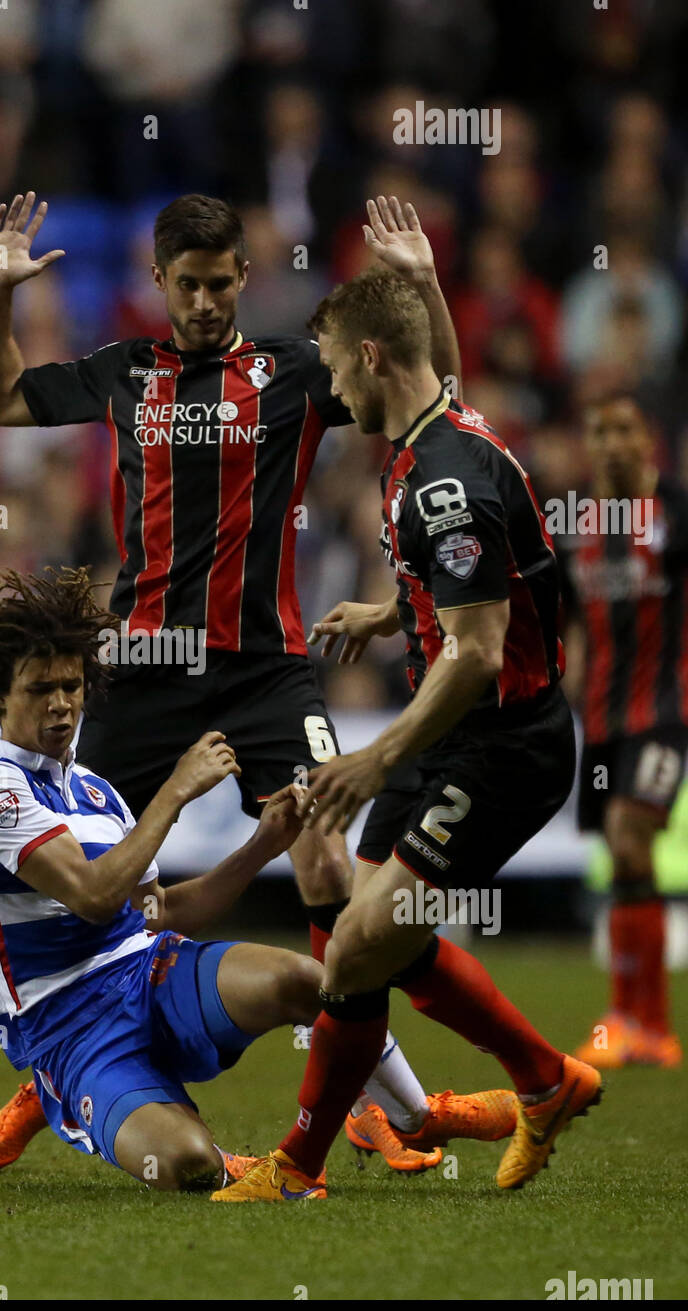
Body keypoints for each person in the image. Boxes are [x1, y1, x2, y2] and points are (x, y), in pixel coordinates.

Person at [0, 191, 516, 1172]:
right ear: (159, 282)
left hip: (267, 671)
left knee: (329, 871)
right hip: (141, 672)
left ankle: (376, 1108)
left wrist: (424, 280)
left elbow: (438, 384)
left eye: (222, 283)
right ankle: (50, 1075)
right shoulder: (123, 372)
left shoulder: (293, 372)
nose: (208, 301)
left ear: (243, 277)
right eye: (189, 284)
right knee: (98, 893)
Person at [218, 267, 602, 1202]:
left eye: (338, 370)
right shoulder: (434, 436)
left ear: (373, 357)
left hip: (501, 748)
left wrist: (376, 755)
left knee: (352, 951)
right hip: (449, 738)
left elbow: (477, 654)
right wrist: (395, 616)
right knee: (370, 931)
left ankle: (297, 1169)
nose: (332, 389)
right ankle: (547, 1081)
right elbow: (474, 583)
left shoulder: (445, 483)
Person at [0, 565, 319, 1191]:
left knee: (304, 981)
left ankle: (361, 1126)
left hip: (150, 973)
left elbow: (158, 914)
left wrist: (262, 846)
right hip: (67, 1026)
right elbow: (93, 897)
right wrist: (175, 790)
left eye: (73, 686)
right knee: (187, 1165)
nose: (61, 704)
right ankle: (61, 1092)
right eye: (40, 689)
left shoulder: (96, 792)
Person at [562, 392, 686, 1068]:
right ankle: (630, 1022)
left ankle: (650, 1025)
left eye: (622, 431)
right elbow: (565, 606)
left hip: (667, 709)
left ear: (647, 442)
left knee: (632, 836)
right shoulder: (579, 521)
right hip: (604, 718)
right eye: (598, 430)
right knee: (622, 858)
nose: (608, 443)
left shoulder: (676, 510)